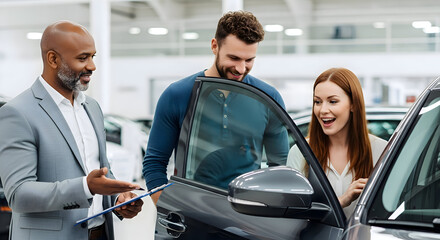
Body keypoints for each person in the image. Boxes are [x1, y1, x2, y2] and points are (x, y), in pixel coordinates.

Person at [0, 21, 143, 240]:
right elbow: (19, 194)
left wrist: (117, 198)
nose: (92, 66)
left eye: (93, 57)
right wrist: (86, 187)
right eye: (82, 58)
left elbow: (101, 171)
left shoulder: (92, 108)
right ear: (53, 59)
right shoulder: (18, 113)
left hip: (100, 233)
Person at [143, 10, 288, 204]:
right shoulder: (177, 94)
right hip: (191, 214)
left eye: (249, 60)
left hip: (248, 216)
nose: (241, 69)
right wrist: (169, 208)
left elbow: (280, 168)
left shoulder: (268, 98)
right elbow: (154, 164)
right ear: (214, 46)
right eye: (234, 58)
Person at [287, 68, 387, 217]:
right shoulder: (300, 152)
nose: (323, 110)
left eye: (333, 101)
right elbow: (293, 212)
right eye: (317, 102)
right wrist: (341, 201)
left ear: (353, 104)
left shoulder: (383, 150)